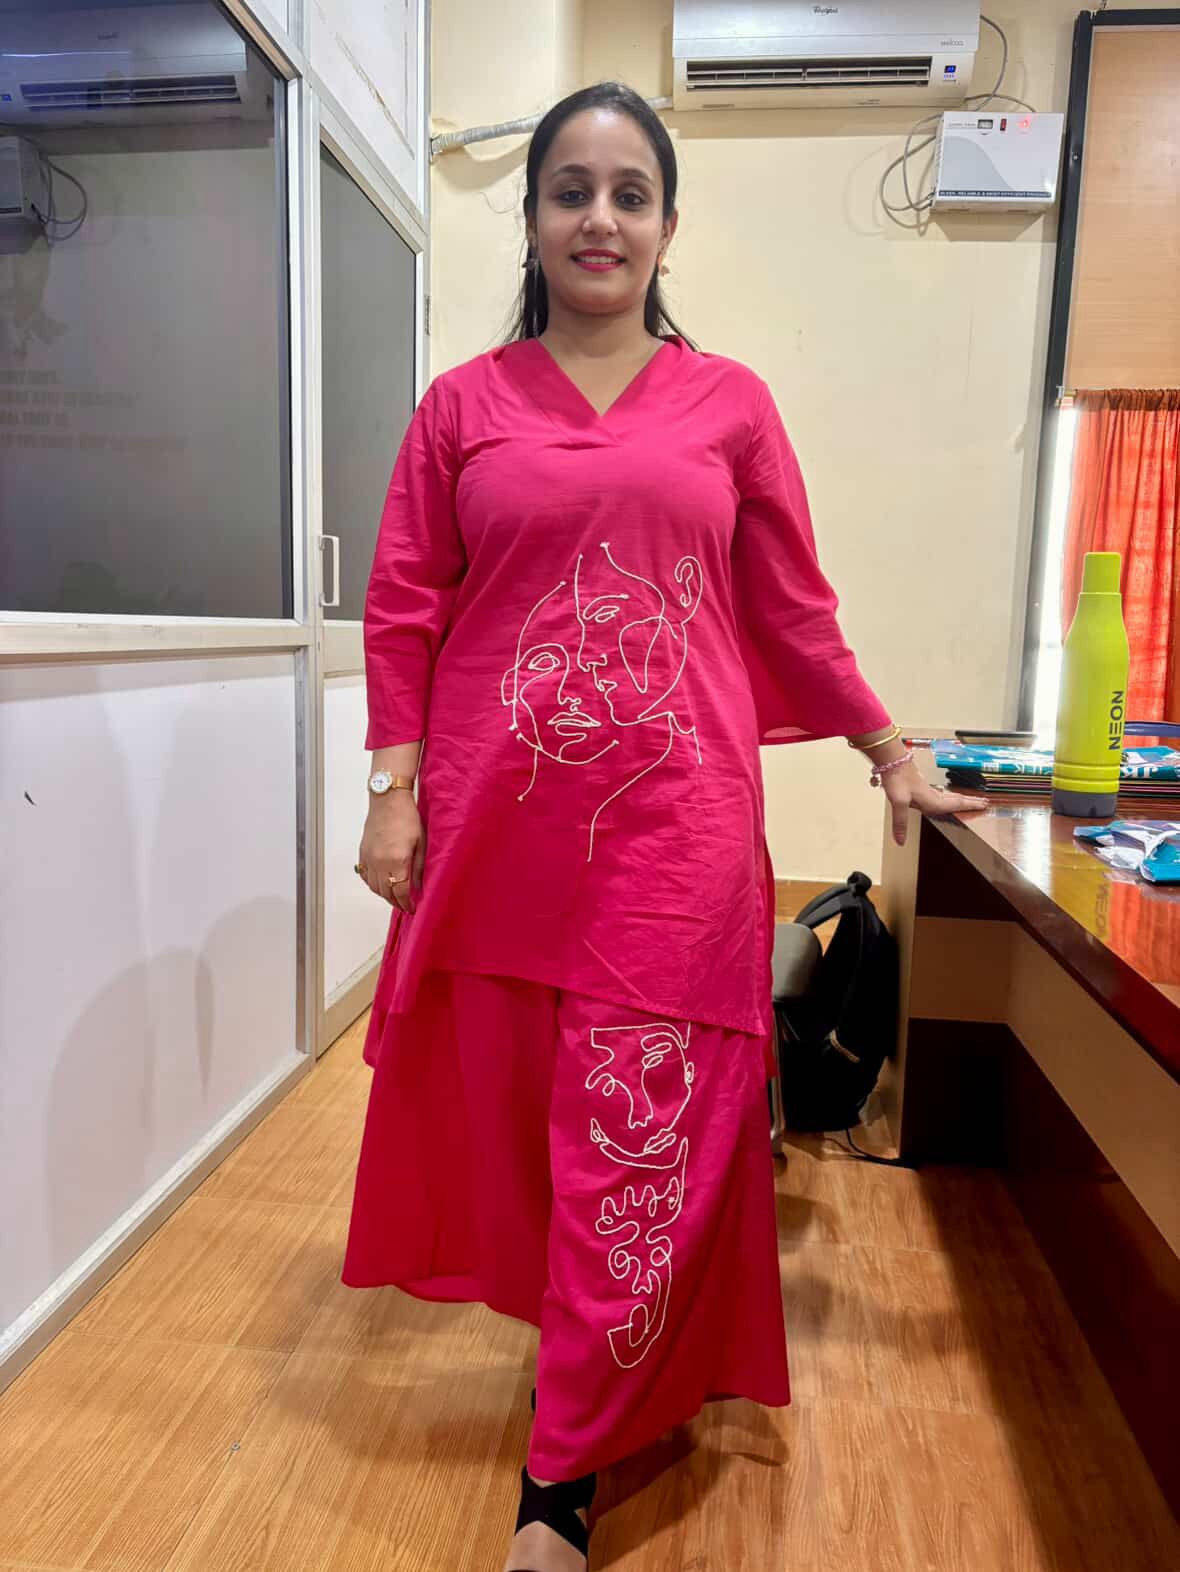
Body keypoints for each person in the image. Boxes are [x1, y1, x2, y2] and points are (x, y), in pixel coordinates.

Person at [341, 81, 985, 1572]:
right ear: (530, 218)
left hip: (674, 843)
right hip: (497, 838)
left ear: (668, 227)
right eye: (571, 190)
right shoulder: (463, 408)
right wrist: (392, 794)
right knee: (527, 1123)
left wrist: (889, 750)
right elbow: (404, 605)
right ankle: (589, 1347)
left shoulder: (729, 406)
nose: (600, 219)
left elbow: (792, 606)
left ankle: (559, 1473)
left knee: (634, 1135)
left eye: (630, 194)